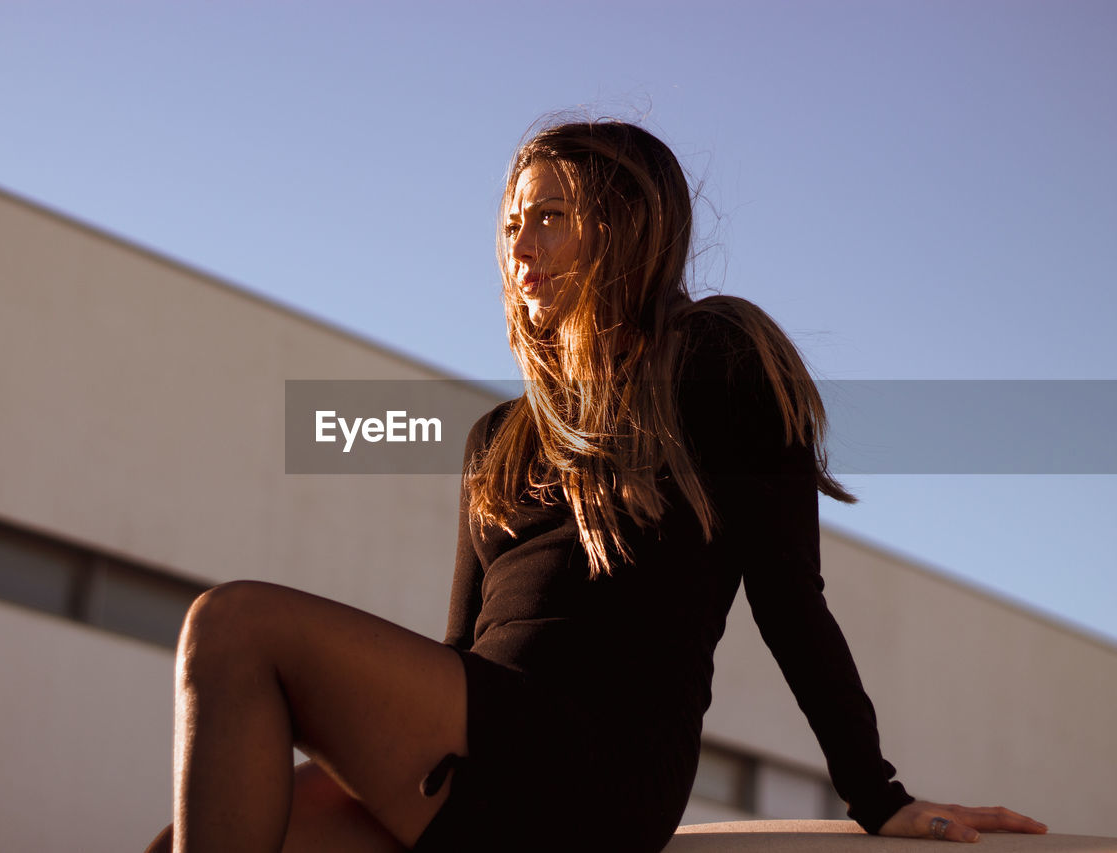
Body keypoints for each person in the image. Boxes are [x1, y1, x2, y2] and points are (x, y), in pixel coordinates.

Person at [145, 120, 1048, 853]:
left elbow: (792, 601)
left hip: (600, 770)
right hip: (485, 749)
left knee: (232, 624)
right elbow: (462, 649)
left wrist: (877, 794)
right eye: (510, 226)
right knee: (186, 834)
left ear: (625, 227)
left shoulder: (718, 360)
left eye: (550, 218)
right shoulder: (496, 439)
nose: (521, 248)